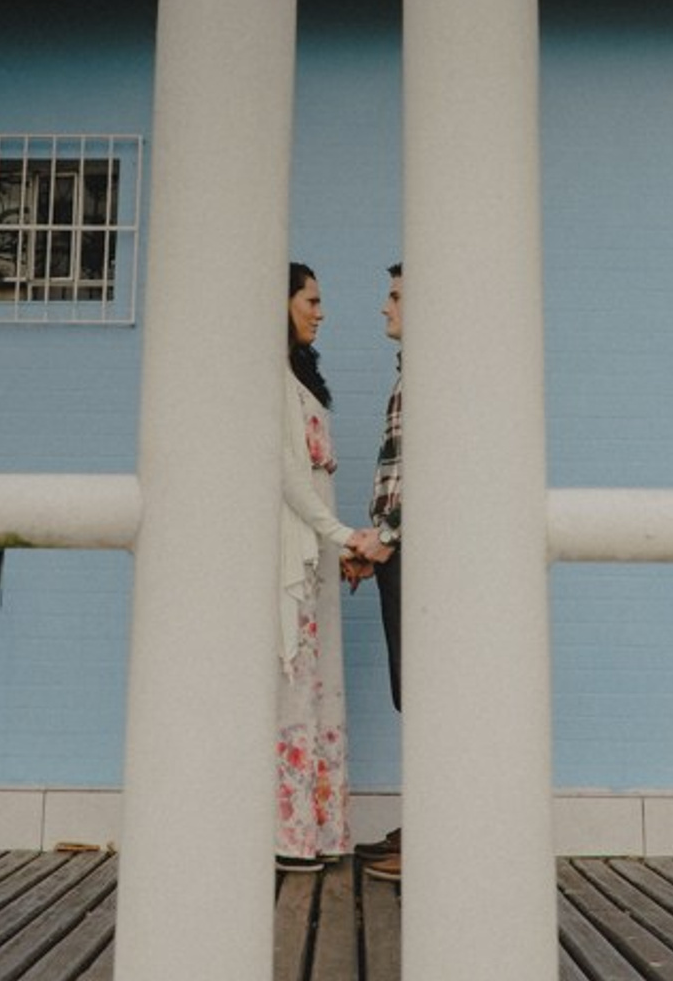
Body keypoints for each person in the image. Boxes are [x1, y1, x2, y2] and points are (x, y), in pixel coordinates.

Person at [278, 261, 377, 872]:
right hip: (293, 553)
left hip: (318, 556)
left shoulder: (301, 377)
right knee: (292, 689)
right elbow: (287, 474)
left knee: (319, 688)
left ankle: (318, 832)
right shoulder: (269, 380)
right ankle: (288, 836)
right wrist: (342, 534)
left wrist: (339, 546)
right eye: (310, 300)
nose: (321, 311)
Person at [353, 263, 405, 883]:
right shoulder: (410, 375)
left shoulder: (436, 377)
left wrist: (382, 540)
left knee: (427, 689)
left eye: (395, 297)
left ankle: (437, 834)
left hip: (416, 553)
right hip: (399, 550)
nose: (384, 308)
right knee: (412, 689)